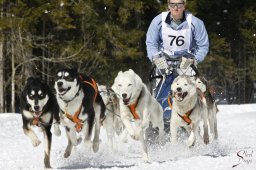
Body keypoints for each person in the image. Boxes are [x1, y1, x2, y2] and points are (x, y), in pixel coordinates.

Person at [145, 0, 209, 132]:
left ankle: (191, 132)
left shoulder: (195, 23)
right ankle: (156, 133)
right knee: (159, 97)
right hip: (163, 62)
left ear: (184, 6)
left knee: (189, 97)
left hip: (186, 63)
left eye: (179, 4)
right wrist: (156, 57)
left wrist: (194, 59)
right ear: (168, 5)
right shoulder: (158, 21)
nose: (175, 7)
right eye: (172, 4)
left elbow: (203, 45)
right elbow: (151, 43)